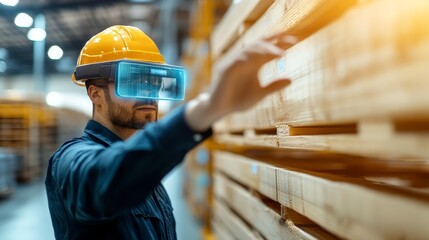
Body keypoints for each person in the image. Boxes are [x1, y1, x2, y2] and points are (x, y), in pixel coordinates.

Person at [45, 25, 296, 239]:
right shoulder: (69, 159)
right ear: (95, 94)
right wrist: (206, 108)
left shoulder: (147, 168)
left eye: (153, 83)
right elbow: (101, 184)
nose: (148, 96)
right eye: (132, 83)